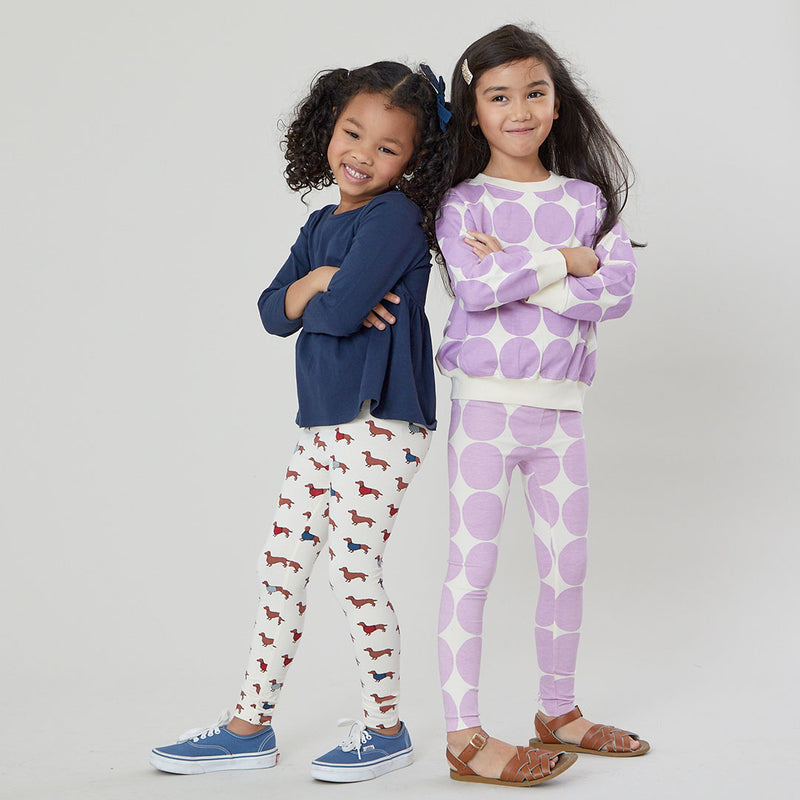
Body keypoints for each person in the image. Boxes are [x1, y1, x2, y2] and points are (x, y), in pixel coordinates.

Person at [150, 60, 452, 783]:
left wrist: (319, 300)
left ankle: (386, 728)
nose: (363, 154)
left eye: (388, 147)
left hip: (383, 418)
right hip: (321, 423)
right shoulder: (320, 225)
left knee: (352, 566)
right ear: (328, 129)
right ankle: (248, 727)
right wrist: (320, 282)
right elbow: (269, 313)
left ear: (413, 160)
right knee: (280, 568)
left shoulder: (397, 219)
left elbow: (338, 316)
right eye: (353, 133)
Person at [435, 24, 650, 786]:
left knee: (567, 564)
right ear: (474, 112)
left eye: (534, 92)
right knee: (472, 566)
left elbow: (616, 293)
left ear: (558, 103)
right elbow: (475, 288)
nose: (519, 109)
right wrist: (566, 261)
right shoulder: (463, 204)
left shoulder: (587, 200)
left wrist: (526, 273)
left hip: (563, 414)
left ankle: (558, 710)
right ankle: (463, 734)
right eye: (499, 96)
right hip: (485, 414)